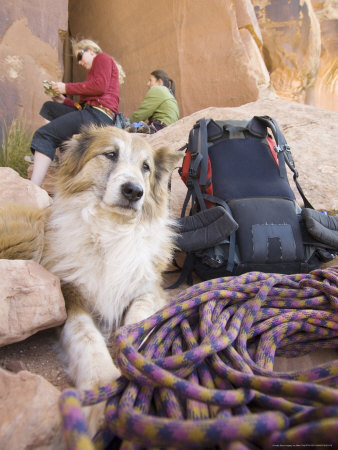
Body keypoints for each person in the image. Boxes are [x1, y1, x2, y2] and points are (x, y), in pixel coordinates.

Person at [29, 39, 125, 186]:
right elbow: (82, 106)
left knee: (44, 134)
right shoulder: (95, 72)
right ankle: (52, 153)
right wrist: (63, 100)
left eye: (80, 57)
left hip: (98, 115)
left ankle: (33, 187)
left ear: (90, 51)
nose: (79, 62)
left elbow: (98, 87)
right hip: (94, 113)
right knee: (50, 107)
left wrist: (66, 88)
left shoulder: (102, 58)